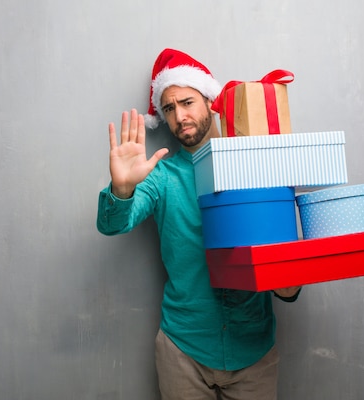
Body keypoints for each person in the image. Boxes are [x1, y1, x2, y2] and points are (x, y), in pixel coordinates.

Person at [96, 48, 301, 400]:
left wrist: (288, 281)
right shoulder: (161, 175)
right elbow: (114, 223)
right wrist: (122, 188)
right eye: (169, 108)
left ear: (210, 100)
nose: (179, 116)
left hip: (254, 349)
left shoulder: (255, 163)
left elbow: (283, 253)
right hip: (184, 350)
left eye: (187, 102)